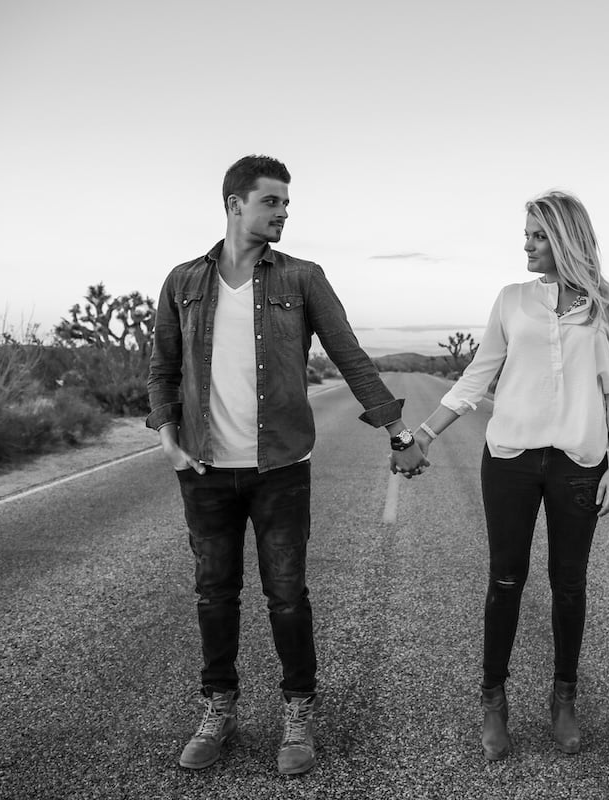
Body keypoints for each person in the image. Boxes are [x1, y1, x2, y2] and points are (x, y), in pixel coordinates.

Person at [146, 155, 428, 775]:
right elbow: (162, 368)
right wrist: (169, 438)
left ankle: (298, 712)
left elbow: (350, 356)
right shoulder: (182, 281)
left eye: (285, 204)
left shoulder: (301, 278)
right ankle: (218, 708)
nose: (282, 213)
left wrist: (398, 431)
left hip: (280, 468)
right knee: (214, 594)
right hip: (204, 469)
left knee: (286, 596)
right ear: (234, 204)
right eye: (271, 201)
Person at [413, 190, 609, 760]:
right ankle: (494, 702)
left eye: (538, 235)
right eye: (528, 234)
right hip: (510, 457)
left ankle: (564, 701)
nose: (528, 245)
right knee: (505, 580)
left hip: (580, 461)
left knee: (570, 583)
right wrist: (426, 433)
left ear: (564, 239)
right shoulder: (512, 300)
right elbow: (476, 376)